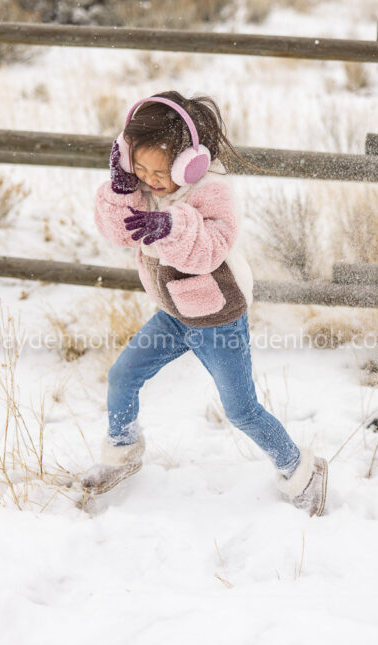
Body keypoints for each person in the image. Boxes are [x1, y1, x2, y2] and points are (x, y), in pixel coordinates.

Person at [84, 91, 326, 515]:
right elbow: (119, 232)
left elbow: (211, 248)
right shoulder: (142, 185)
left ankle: (301, 471)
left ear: (187, 163)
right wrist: (123, 188)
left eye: (158, 171)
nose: (150, 179)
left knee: (241, 409)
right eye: (137, 167)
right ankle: (122, 452)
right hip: (175, 315)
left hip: (217, 319)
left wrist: (170, 226)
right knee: (122, 375)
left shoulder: (211, 191)